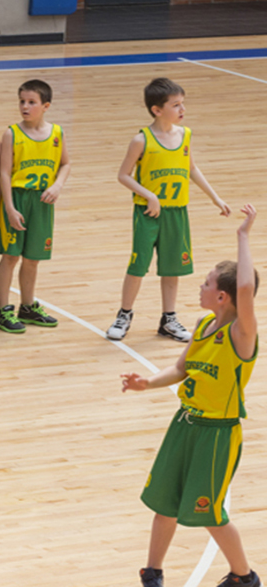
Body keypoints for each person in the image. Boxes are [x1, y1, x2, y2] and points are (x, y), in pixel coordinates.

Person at [122, 204, 260, 587]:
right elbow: (182, 368)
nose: (201, 286)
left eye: (207, 283)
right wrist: (147, 382)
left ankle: (245, 577)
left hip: (216, 434)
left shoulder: (241, 335)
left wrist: (243, 236)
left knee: (209, 513)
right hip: (184, 424)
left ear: (223, 297)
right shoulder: (202, 325)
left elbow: (246, 289)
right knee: (164, 502)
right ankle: (152, 572)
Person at [107, 77, 230, 342]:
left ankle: (168, 319)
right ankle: (124, 314)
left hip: (177, 212)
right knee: (138, 266)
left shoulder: (185, 135)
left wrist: (215, 198)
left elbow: (191, 168)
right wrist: (149, 195)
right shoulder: (141, 140)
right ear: (157, 110)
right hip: (148, 213)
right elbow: (123, 175)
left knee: (172, 268)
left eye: (182, 103)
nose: (182, 109)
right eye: (176, 105)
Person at [0, 79, 71, 333]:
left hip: (43, 201)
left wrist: (57, 185)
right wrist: (9, 208)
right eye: (22, 101)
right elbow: (4, 173)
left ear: (46, 106)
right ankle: (2, 310)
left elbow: (65, 164)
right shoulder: (11, 134)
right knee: (10, 256)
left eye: (31, 102)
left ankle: (27, 307)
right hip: (17, 199)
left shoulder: (57, 133)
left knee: (33, 259)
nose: (25, 106)